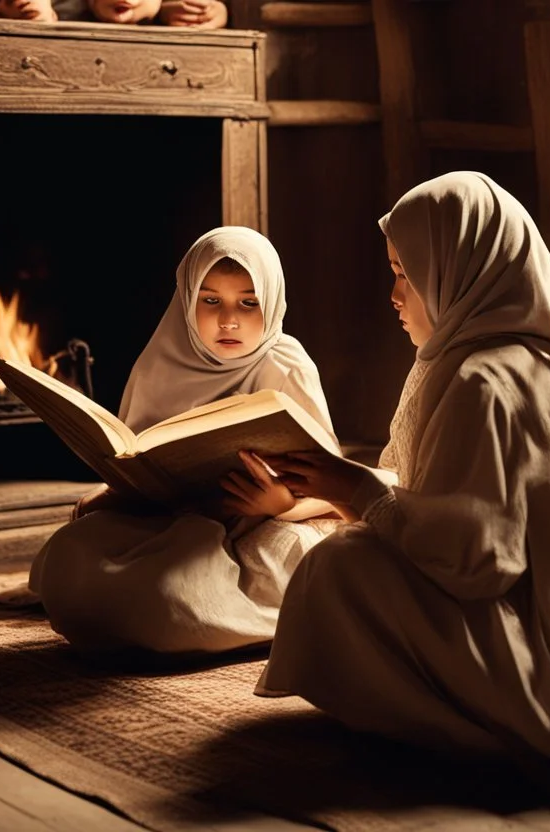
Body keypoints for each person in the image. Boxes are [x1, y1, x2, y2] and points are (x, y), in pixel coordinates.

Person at [255, 172, 550, 772]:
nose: (394, 294)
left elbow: (478, 559)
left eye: (406, 273)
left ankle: (484, 737)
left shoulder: (482, 381)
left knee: (336, 567)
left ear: (459, 272)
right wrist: (347, 487)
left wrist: (355, 491)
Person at [28, 226, 341, 654]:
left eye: (248, 303)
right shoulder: (161, 360)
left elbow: (334, 483)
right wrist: (110, 495)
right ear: (186, 297)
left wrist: (281, 505)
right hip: (163, 519)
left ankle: (191, 615)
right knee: (68, 559)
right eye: (210, 300)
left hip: (258, 528)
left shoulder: (287, 366)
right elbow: (135, 461)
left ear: (271, 301)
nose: (228, 320)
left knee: (172, 594)